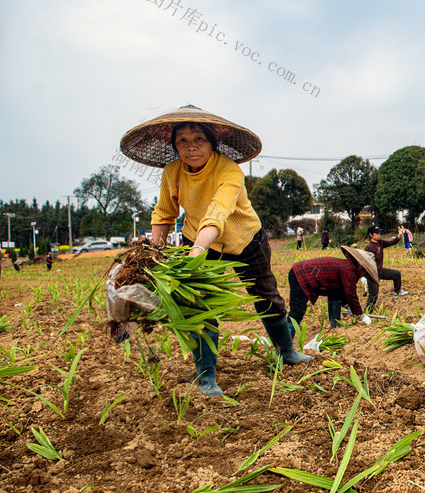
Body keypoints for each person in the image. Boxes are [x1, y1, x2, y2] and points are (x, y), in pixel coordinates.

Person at [121, 104, 312, 397]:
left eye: (198, 139)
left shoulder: (229, 170)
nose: (191, 147)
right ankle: (206, 376)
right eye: (182, 140)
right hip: (198, 239)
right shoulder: (172, 172)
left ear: (212, 142)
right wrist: (152, 256)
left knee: (266, 295)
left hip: (243, 238)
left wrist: (198, 249)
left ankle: (287, 351)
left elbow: (218, 212)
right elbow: (163, 214)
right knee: (201, 304)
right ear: (174, 146)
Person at [288, 246, 378, 329]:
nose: (364, 275)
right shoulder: (349, 270)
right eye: (365, 273)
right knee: (297, 312)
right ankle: (285, 342)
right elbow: (350, 294)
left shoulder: (347, 266)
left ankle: (335, 326)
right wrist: (360, 315)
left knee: (335, 294)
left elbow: (342, 292)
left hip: (300, 271)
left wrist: (347, 305)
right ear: (362, 268)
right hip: (300, 275)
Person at [364, 225, 408, 312]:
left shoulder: (380, 242)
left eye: (379, 233)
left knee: (396, 274)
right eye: (376, 233)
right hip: (373, 274)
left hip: (380, 271)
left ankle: (397, 292)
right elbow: (366, 262)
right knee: (373, 295)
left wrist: (399, 235)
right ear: (370, 234)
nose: (378, 234)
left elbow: (392, 242)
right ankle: (368, 312)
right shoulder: (369, 247)